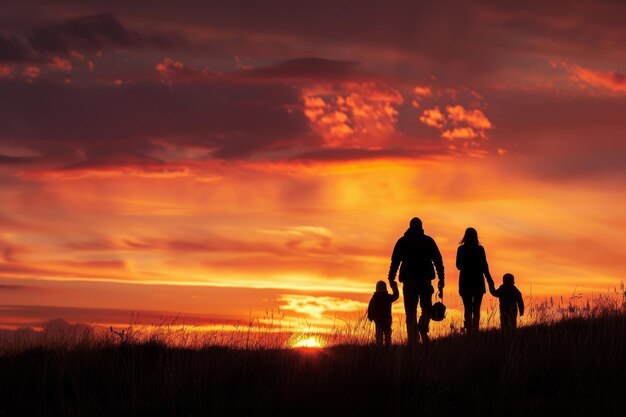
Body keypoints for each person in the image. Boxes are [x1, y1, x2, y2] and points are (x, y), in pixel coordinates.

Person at [388, 217, 445, 345]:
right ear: (421, 227)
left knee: (411, 313)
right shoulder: (427, 241)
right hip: (422, 281)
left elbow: (395, 262)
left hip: (411, 282)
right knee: (426, 309)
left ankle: (413, 340)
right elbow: (438, 261)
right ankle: (421, 328)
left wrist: (391, 278)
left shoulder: (403, 242)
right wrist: (441, 279)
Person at [455, 227, 495, 334]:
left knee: (468, 308)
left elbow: (458, 266)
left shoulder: (461, 249)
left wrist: (467, 264)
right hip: (477, 282)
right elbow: (484, 267)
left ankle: (469, 331)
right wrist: (489, 280)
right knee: (476, 308)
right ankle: (475, 330)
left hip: (465, 282)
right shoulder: (480, 249)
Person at [367, 280, 400, 347]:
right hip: (387, 320)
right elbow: (396, 296)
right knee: (388, 337)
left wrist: (371, 318)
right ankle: (387, 349)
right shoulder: (387, 297)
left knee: (379, 338)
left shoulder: (374, 298)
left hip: (378, 321)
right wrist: (394, 287)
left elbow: (370, 309)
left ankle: (380, 350)